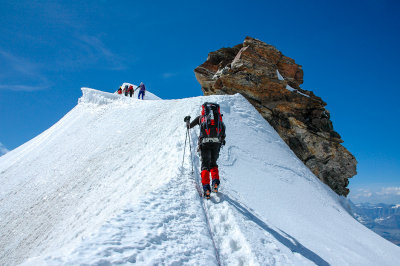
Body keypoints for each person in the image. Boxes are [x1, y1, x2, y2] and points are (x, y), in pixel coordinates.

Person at [184, 102, 226, 199]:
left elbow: (188, 126)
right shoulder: (219, 119)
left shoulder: (201, 118)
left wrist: (187, 121)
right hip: (216, 143)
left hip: (204, 143)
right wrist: (221, 141)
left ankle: (206, 188)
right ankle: (215, 182)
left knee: (205, 165)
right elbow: (223, 132)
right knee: (213, 164)